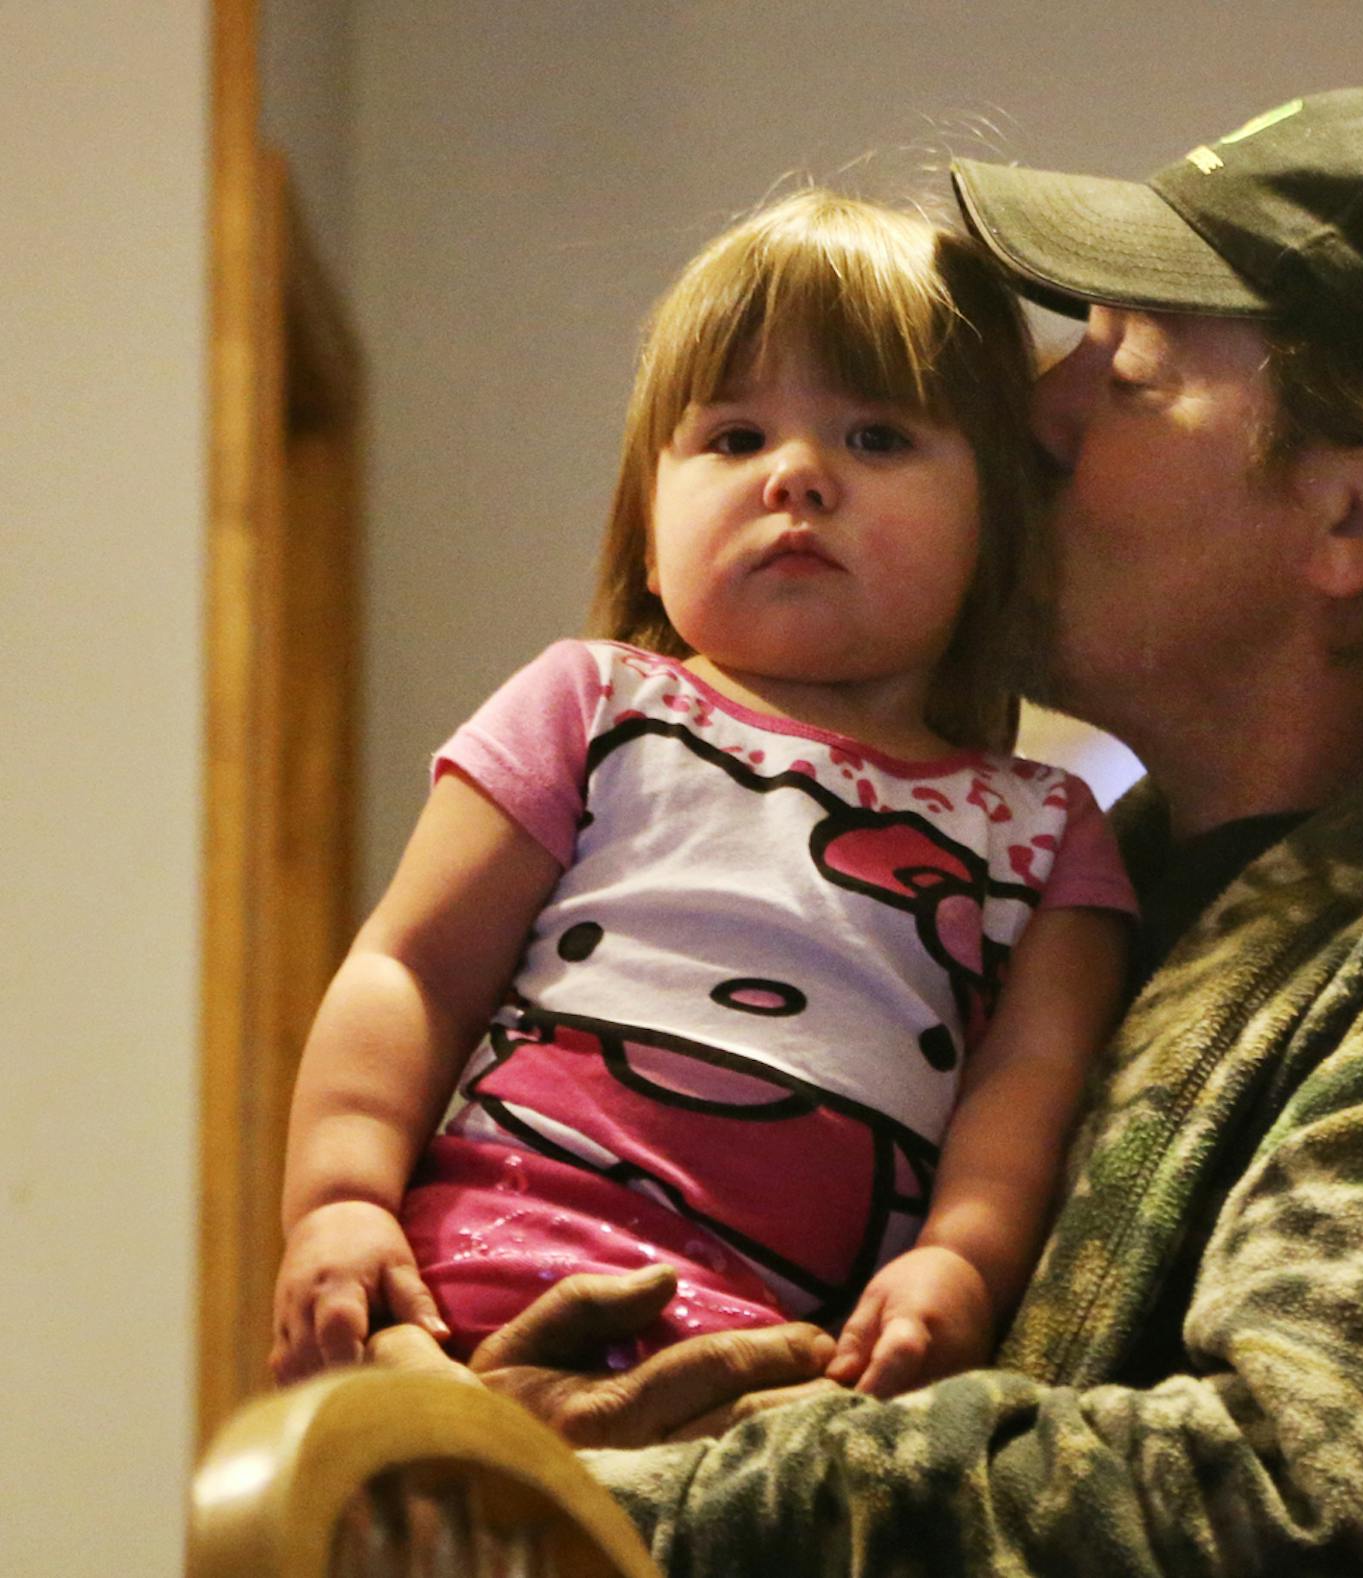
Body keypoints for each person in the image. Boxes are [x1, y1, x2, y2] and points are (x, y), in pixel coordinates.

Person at [376, 88, 1363, 1572]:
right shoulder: (1064, 913)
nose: (1036, 406)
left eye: (1130, 363)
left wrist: (567, 1491)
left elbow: (1314, 1508)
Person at [270, 190, 1135, 1402]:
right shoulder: (593, 704)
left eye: (878, 438)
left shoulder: (1044, 833)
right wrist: (341, 1201)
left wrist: (962, 1261)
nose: (797, 477)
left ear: (1001, 523)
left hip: (771, 1375)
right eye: (733, 438)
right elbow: (411, 967)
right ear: (645, 520)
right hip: (462, 1292)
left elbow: (1025, 1087)